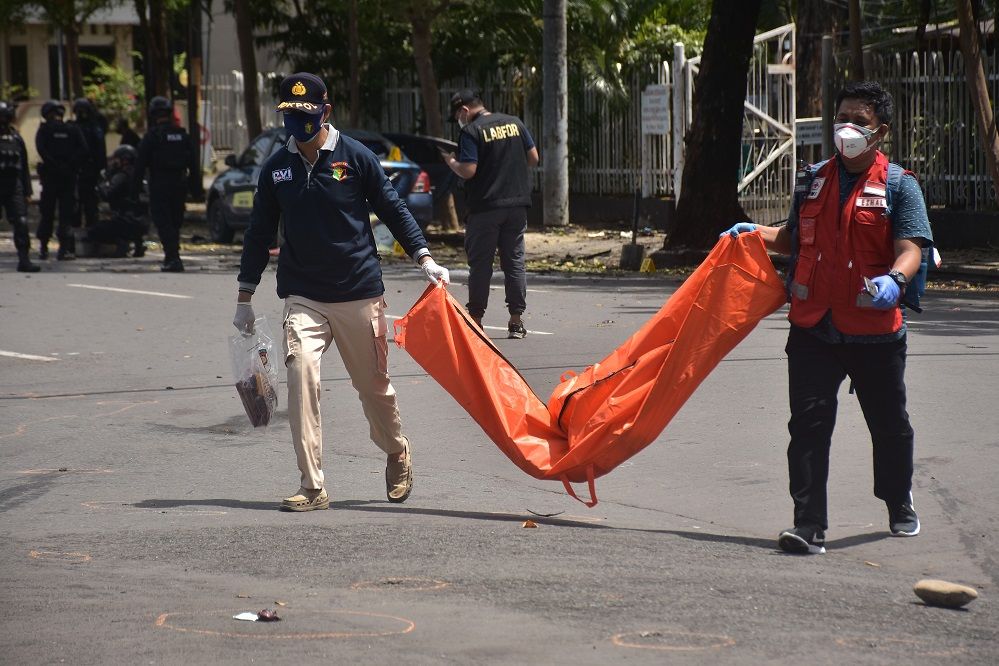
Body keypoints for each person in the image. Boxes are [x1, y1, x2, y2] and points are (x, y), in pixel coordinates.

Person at [723, 81, 932, 555]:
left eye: (859, 121)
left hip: (874, 331)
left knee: (890, 425)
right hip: (814, 326)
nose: (848, 129)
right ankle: (808, 525)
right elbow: (795, 238)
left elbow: (912, 247)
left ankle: (899, 501)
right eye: (842, 118)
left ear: (881, 131)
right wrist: (754, 233)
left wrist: (895, 282)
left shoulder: (900, 185)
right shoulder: (812, 178)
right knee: (809, 426)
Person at [233, 72, 451, 512]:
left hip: (358, 292)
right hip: (304, 296)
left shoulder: (356, 158)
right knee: (301, 376)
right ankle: (312, 485)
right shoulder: (277, 168)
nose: (297, 123)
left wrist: (424, 257)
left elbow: (393, 207)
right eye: (290, 115)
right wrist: (245, 294)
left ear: (325, 113)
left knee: (373, 388)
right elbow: (259, 232)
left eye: (306, 115)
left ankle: (396, 450)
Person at [441, 89, 539, 339]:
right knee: (514, 262)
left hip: (485, 209)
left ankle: (475, 320)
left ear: (464, 111)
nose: (459, 122)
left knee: (481, 266)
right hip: (517, 205)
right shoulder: (515, 123)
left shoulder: (471, 132)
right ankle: (516, 320)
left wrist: (452, 163)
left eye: (458, 116)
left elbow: (469, 170)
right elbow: (533, 157)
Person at [133, 96, 194, 272]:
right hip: (179, 184)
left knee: (164, 221)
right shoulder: (182, 135)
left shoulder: (152, 137)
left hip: (160, 184)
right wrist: (196, 189)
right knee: (175, 221)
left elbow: (139, 165)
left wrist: (134, 191)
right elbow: (194, 164)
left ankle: (173, 257)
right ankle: (172, 256)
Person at [35, 100, 88, 260]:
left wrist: (54, 164)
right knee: (66, 214)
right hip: (68, 177)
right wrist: (69, 164)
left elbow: (41, 149)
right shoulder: (72, 129)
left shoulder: (44, 130)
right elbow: (84, 150)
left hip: (51, 176)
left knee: (47, 213)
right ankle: (64, 249)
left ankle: (44, 248)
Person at [0, 101, 39, 272]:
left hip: (13, 185)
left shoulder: (16, 138)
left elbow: (23, 167)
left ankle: (24, 259)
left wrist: (27, 191)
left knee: (21, 222)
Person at [90, 144, 148, 257]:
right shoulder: (141, 175)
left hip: (126, 220)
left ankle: (122, 242)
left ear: (125, 160)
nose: (114, 162)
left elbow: (106, 194)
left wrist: (102, 182)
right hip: (144, 222)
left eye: (117, 160)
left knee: (94, 231)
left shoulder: (122, 176)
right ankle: (138, 243)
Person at [70, 98, 107, 230]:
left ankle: (92, 233)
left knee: (90, 205)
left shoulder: (94, 128)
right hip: (76, 171)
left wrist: (101, 170)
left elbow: (100, 151)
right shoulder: (73, 128)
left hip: (89, 171)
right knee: (76, 205)